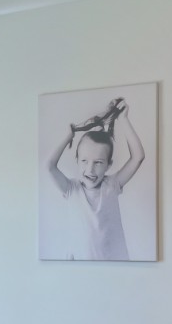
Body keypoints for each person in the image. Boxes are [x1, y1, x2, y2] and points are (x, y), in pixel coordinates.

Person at [46, 99, 145, 259]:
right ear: (77, 160)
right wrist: (67, 136)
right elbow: (49, 166)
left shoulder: (112, 185)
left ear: (108, 165)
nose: (90, 169)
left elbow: (138, 157)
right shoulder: (72, 189)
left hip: (115, 267)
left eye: (98, 162)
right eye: (84, 161)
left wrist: (124, 120)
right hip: (78, 267)